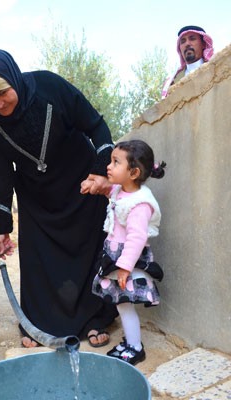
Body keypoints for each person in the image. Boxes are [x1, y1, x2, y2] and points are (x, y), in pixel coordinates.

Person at [0, 48, 118, 348]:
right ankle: (38, 325)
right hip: (37, 197)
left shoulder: (50, 87)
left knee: (89, 251)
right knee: (39, 259)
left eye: (3, 92)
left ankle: (94, 319)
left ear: (13, 78)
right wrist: (1, 226)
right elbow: (0, 174)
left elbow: (96, 125)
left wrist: (101, 172)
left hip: (82, 186)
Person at [86, 140, 166, 365]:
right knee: (122, 305)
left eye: (115, 162)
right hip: (116, 258)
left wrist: (124, 268)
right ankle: (130, 342)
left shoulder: (140, 204)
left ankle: (135, 348)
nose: (108, 167)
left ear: (134, 172)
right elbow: (110, 191)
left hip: (126, 262)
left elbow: (136, 238)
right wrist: (94, 183)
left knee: (124, 305)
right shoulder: (122, 190)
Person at [162, 25, 214, 98]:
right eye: (183, 41)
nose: (187, 44)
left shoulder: (215, 69)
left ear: (203, 44)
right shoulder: (172, 82)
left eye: (192, 39)